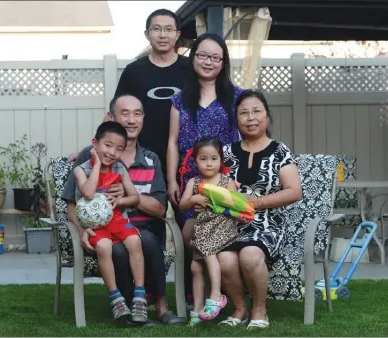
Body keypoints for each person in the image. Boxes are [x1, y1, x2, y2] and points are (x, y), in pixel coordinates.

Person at [62, 94, 186, 326]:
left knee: (146, 239)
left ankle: (160, 306)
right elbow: (71, 201)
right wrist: (81, 231)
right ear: (110, 117)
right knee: (120, 249)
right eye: (124, 113)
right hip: (100, 230)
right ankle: (127, 309)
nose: (131, 120)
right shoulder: (89, 156)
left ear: (143, 120)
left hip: (138, 227)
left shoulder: (151, 159)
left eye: (137, 114)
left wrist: (129, 198)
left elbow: (160, 209)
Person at [213, 89, 302, 329]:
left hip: (268, 223)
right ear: (237, 120)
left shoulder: (279, 151)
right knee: (224, 259)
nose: (250, 118)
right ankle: (240, 308)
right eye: (244, 113)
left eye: (256, 111)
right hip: (232, 222)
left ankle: (260, 310)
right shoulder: (228, 152)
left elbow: (294, 191)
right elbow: (217, 186)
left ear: (266, 115)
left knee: (250, 255)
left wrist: (257, 202)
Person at [167, 32, 243, 247]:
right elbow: (172, 142)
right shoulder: (179, 100)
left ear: (223, 63)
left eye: (215, 58)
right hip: (190, 181)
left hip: (224, 179)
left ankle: (221, 281)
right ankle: (193, 282)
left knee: (221, 239)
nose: (208, 62)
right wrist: (172, 181)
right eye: (203, 55)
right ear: (193, 58)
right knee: (190, 240)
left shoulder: (237, 97)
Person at [73, 121, 146, 322]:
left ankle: (139, 296)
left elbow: (135, 198)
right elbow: (88, 193)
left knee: (135, 242)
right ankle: (116, 299)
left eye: (119, 148)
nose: (112, 152)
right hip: (95, 225)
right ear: (94, 144)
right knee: (104, 247)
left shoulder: (120, 168)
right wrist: (97, 166)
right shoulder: (81, 170)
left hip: (116, 219)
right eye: (107, 145)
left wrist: (120, 200)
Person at [179, 137, 248, 326]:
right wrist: (194, 200)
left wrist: (240, 215)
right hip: (202, 230)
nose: (209, 163)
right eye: (203, 159)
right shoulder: (193, 182)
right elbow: (183, 206)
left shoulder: (226, 182)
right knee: (195, 268)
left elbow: (236, 206)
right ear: (195, 161)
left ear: (220, 161)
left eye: (213, 158)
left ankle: (216, 295)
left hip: (223, 229)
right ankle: (197, 309)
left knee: (208, 254)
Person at [114, 9, 189, 180]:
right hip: (143, 158)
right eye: (157, 29)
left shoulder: (191, 69)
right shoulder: (134, 71)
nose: (163, 35)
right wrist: (94, 146)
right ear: (147, 34)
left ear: (177, 34)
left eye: (168, 29)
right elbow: (116, 113)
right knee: (143, 206)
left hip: (186, 157)